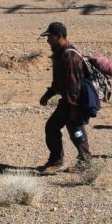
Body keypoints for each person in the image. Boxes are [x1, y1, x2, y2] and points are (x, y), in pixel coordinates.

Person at [37, 22, 92, 174]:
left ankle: (59, 161)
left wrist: (74, 107)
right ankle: (83, 161)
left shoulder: (69, 57)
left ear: (59, 36)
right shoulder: (60, 54)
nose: (48, 41)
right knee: (72, 129)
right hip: (69, 100)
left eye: (50, 37)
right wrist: (48, 95)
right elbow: (59, 82)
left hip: (74, 101)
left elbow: (73, 85)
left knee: (70, 129)